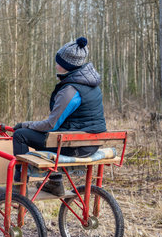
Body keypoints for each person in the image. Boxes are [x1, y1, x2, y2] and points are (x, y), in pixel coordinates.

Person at [11, 37, 107, 196]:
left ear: (68, 66)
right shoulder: (92, 85)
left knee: (21, 136)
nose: (56, 65)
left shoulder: (70, 90)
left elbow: (51, 124)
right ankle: (55, 183)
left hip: (76, 147)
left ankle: (18, 188)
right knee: (50, 136)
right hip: (90, 143)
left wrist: (24, 124)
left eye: (59, 62)